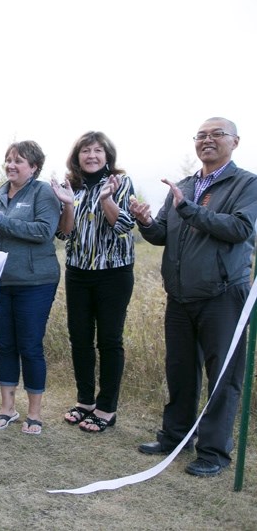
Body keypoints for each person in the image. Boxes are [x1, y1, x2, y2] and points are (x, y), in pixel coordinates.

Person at [133, 117, 257, 477]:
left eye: (217, 134)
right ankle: (175, 437)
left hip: (223, 295)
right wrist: (144, 220)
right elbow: (161, 234)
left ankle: (214, 452)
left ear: (235, 141)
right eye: (201, 135)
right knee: (180, 370)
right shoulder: (184, 185)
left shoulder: (246, 184)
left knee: (223, 375)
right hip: (180, 296)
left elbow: (240, 228)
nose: (207, 140)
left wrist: (188, 208)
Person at [51, 131, 136, 434]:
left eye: (98, 151)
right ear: (77, 157)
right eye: (86, 151)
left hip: (113, 273)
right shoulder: (69, 187)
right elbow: (63, 234)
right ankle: (85, 401)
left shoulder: (120, 183)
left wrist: (107, 199)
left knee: (109, 341)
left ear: (107, 156)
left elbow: (124, 226)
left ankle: (106, 408)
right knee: (80, 338)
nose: (92, 156)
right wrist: (68, 204)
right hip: (78, 272)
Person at [0, 141, 60, 435]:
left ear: (34, 167)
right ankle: (7, 408)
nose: (11, 165)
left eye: (18, 161)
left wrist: (2, 223)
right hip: (0, 281)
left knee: (29, 346)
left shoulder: (42, 192)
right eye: (8, 160)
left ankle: (35, 412)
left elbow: (45, 230)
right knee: (6, 345)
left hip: (36, 282)